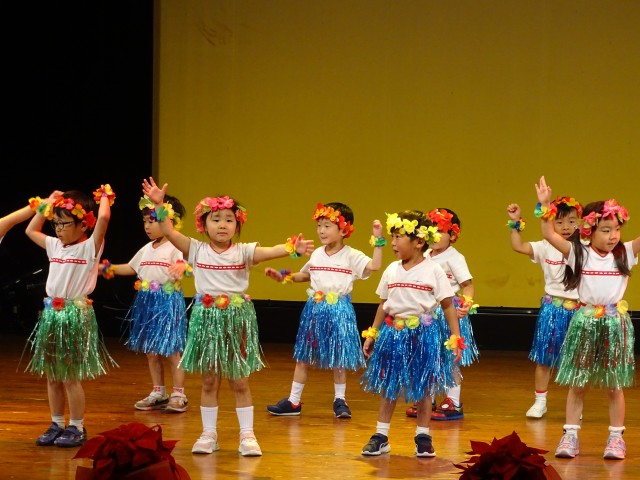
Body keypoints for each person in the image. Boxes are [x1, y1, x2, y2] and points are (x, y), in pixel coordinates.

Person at [142, 177, 314, 457]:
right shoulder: (196, 249)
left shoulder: (243, 251)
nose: (222, 225)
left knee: (239, 380)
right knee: (209, 380)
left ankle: (247, 435)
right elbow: (169, 231)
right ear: (203, 225)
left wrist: (292, 248)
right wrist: (160, 204)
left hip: (236, 319)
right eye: (216, 219)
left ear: (237, 225)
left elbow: (270, 251)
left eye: (229, 220)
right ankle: (208, 434)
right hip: (206, 319)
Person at [535, 176, 639, 461]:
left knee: (614, 385)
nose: (613, 235)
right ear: (589, 231)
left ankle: (616, 437)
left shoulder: (625, 253)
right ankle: (570, 434)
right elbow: (549, 234)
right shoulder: (578, 252)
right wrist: (545, 205)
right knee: (578, 382)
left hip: (614, 324)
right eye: (606, 230)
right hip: (584, 322)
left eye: (617, 229)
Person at [265, 202, 384, 418]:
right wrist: (284, 276)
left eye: (327, 226)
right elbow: (306, 275)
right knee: (303, 356)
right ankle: (293, 401)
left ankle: (340, 400)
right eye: (319, 225)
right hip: (315, 310)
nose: (321, 230)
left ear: (344, 230)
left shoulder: (351, 255)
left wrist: (378, 240)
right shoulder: (318, 254)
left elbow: (374, 266)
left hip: (339, 310)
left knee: (339, 357)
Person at [360, 210, 462, 457]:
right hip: (393, 334)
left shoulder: (433, 270)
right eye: (392, 237)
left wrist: (456, 338)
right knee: (389, 385)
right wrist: (373, 333)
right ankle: (381, 435)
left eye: (399, 237)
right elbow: (383, 305)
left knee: (424, 387)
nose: (393, 243)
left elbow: (448, 305)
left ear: (419, 241)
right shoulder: (391, 270)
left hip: (423, 335)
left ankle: (423, 436)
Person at [24, 185, 117, 448]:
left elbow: (103, 218)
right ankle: (56, 423)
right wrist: (47, 204)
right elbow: (30, 230)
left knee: (69, 375)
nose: (58, 229)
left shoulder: (89, 247)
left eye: (64, 224)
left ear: (83, 225)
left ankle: (76, 426)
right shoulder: (54, 246)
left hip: (75, 315)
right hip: (52, 315)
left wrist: (104, 197)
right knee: (53, 374)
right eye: (55, 224)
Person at [99, 194, 191, 413]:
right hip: (147, 302)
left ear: (170, 221)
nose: (147, 226)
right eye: (145, 222)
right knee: (151, 351)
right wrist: (109, 268)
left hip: (167, 303)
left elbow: (189, 264)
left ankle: (179, 393)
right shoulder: (147, 248)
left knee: (171, 350)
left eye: (153, 221)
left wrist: (183, 267)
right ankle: (158, 391)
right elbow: (132, 268)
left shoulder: (176, 246)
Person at [506, 197, 581, 419]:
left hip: (579, 309)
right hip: (552, 309)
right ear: (551, 223)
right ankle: (540, 402)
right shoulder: (544, 246)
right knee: (544, 358)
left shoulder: (585, 247)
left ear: (579, 223)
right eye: (559, 222)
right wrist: (515, 222)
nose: (566, 227)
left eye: (571, 221)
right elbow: (518, 246)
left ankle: (576, 405)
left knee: (577, 360)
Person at [406, 208, 477, 421]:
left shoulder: (455, 257)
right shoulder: (424, 255)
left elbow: (467, 285)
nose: (435, 235)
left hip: (447, 312)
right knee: (428, 355)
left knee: (450, 358)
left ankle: (453, 401)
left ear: (453, 235)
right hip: (428, 313)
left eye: (441, 230)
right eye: (432, 230)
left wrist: (466, 304)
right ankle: (428, 399)